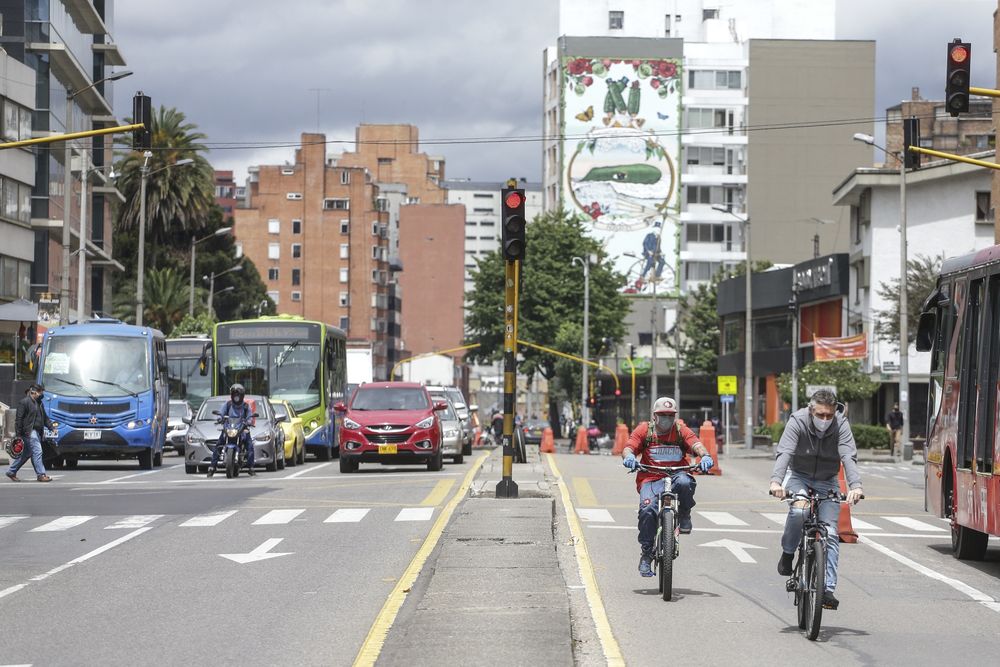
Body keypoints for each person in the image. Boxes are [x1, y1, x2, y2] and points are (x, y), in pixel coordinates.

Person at [769, 389, 864, 611]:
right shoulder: (798, 420)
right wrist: (776, 482)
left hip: (827, 480)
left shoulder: (841, 424)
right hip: (799, 476)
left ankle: (827, 590)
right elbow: (785, 452)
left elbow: (848, 456)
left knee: (830, 533)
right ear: (811, 411)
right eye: (820, 415)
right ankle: (788, 553)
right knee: (799, 511)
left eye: (829, 415)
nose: (825, 420)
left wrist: (856, 486)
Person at [621, 396, 714, 577]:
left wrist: (705, 456)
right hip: (651, 478)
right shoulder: (644, 430)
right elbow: (629, 447)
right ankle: (646, 554)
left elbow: (696, 444)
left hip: (677, 475)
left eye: (670, 415)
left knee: (686, 482)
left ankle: (685, 513)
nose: (667, 419)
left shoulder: (680, 430)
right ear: (654, 416)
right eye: (663, 415)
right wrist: (629, 457)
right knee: (647, 510)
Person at [6, 383, 53, 482]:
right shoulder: (24, 402)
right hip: (29, 432)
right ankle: (41, 474)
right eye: (40, 392)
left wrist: (51, 427)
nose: (41, 395)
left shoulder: (39, 403)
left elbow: (44, 418)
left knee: (27, 453)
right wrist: (18, 435)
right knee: (37, 451)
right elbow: (19, 419)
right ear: (34, 392)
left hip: (37, 432)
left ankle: (11, 471)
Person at [208, 383, 255, 477]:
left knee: (250, 446)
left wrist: (249, 421)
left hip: (242, 429)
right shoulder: (228, 404)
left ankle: (251, 467)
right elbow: (221, 413)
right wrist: (220, 418)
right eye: (234, 394)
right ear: (232, 395)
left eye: (238, 395)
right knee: (218, 445)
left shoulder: (246, 406)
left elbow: (250, 416)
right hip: (229, 428)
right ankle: (212, 467)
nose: (236, 397)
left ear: (242, 396)